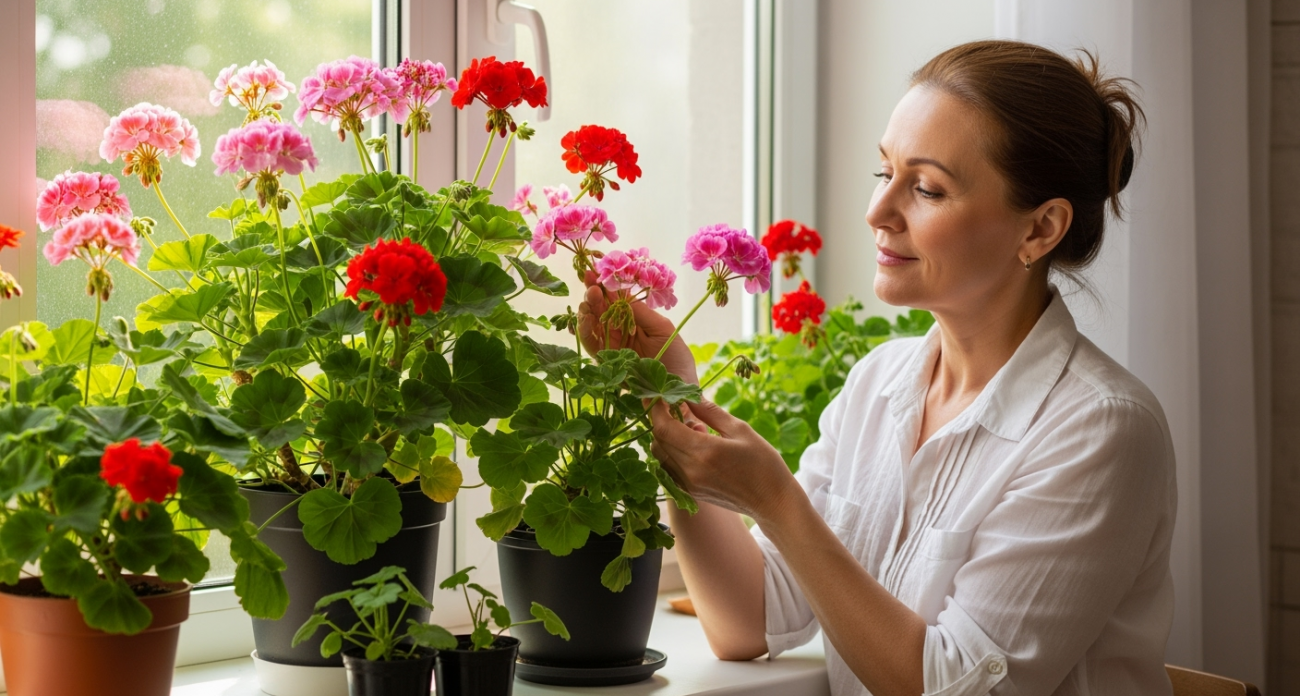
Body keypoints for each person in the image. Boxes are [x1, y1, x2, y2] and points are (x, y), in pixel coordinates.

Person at [578, 40, 1175, 696]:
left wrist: (776, 501)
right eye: (883, 172)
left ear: (1040, 229)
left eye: (926, 188)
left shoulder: (1101, 431)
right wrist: (667, 393)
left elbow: (953, 686)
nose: (877, 212)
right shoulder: (878, 382)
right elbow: (746, 620)